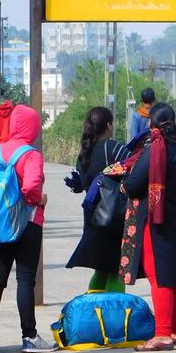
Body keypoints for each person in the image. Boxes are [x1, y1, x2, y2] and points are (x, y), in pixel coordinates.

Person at [119, 103, 176, 351]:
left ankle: (162, 334)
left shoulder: (154, 150)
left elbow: (133, 184)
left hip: (157, 218)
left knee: (159, 275)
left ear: (151, 125)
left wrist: (122, 185)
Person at [0, 104, 55, 353]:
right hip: (28, 223)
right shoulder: (31, 155)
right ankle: (29, 337)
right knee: (25, 279)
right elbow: (30, 188)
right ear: (33, 127)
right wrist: (41, 199)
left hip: (1, 223)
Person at [64, 106, 129, 293]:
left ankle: (95, 310)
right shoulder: (113, 147)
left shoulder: (84, 151)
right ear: (108, 125)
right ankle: (113, 314)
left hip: (92, 214)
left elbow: (82, 181)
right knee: (116, 268)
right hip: (113, 214)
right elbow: (132, 170)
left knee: (100, 268)